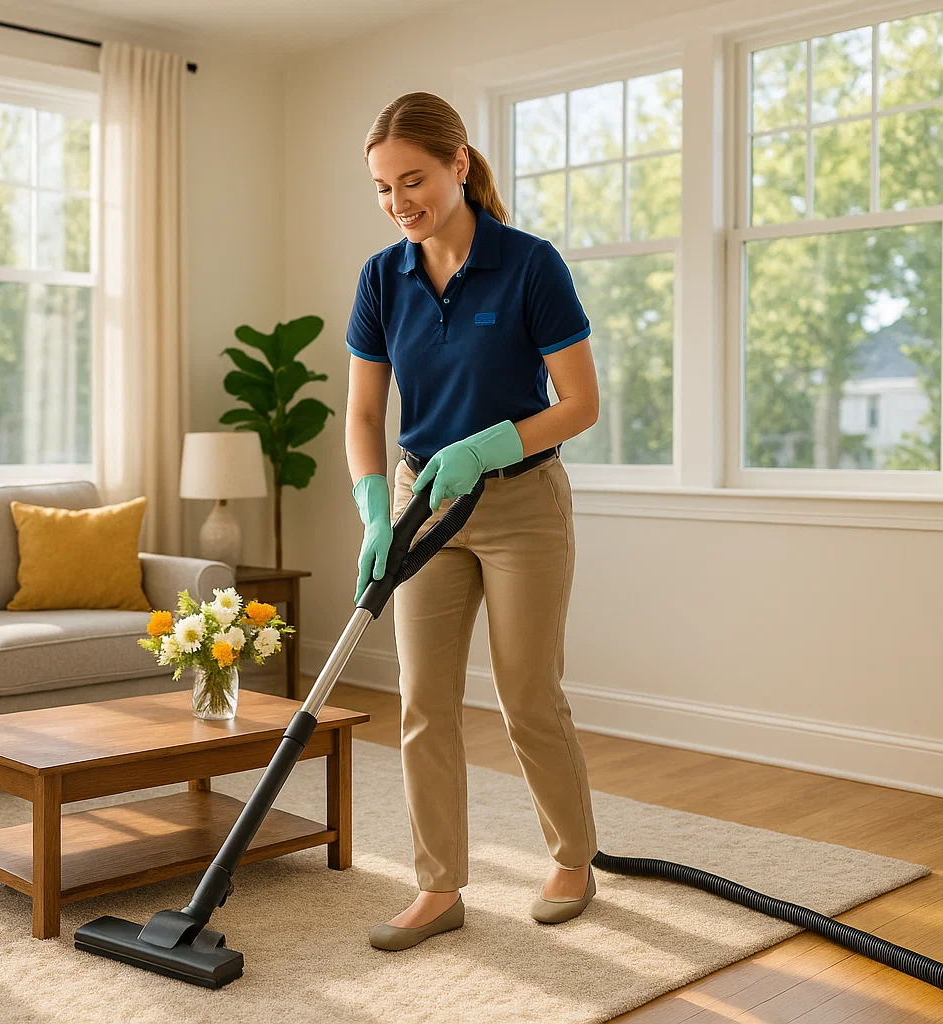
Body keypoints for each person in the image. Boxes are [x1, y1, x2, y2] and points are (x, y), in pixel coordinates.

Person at [344, 91, 602, 951]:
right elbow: (362, 413)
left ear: (459, 164)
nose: (399, 202)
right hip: (425, 501)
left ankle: (572, 859)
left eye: (411, 180)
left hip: (522, 503)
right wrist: (376, 505)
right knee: (423, 701)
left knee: (528, 694)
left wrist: (489, 446)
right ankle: (439, 885)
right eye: (383, 188)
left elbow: (581, 404)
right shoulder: (383, 277)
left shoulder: (530, 265)